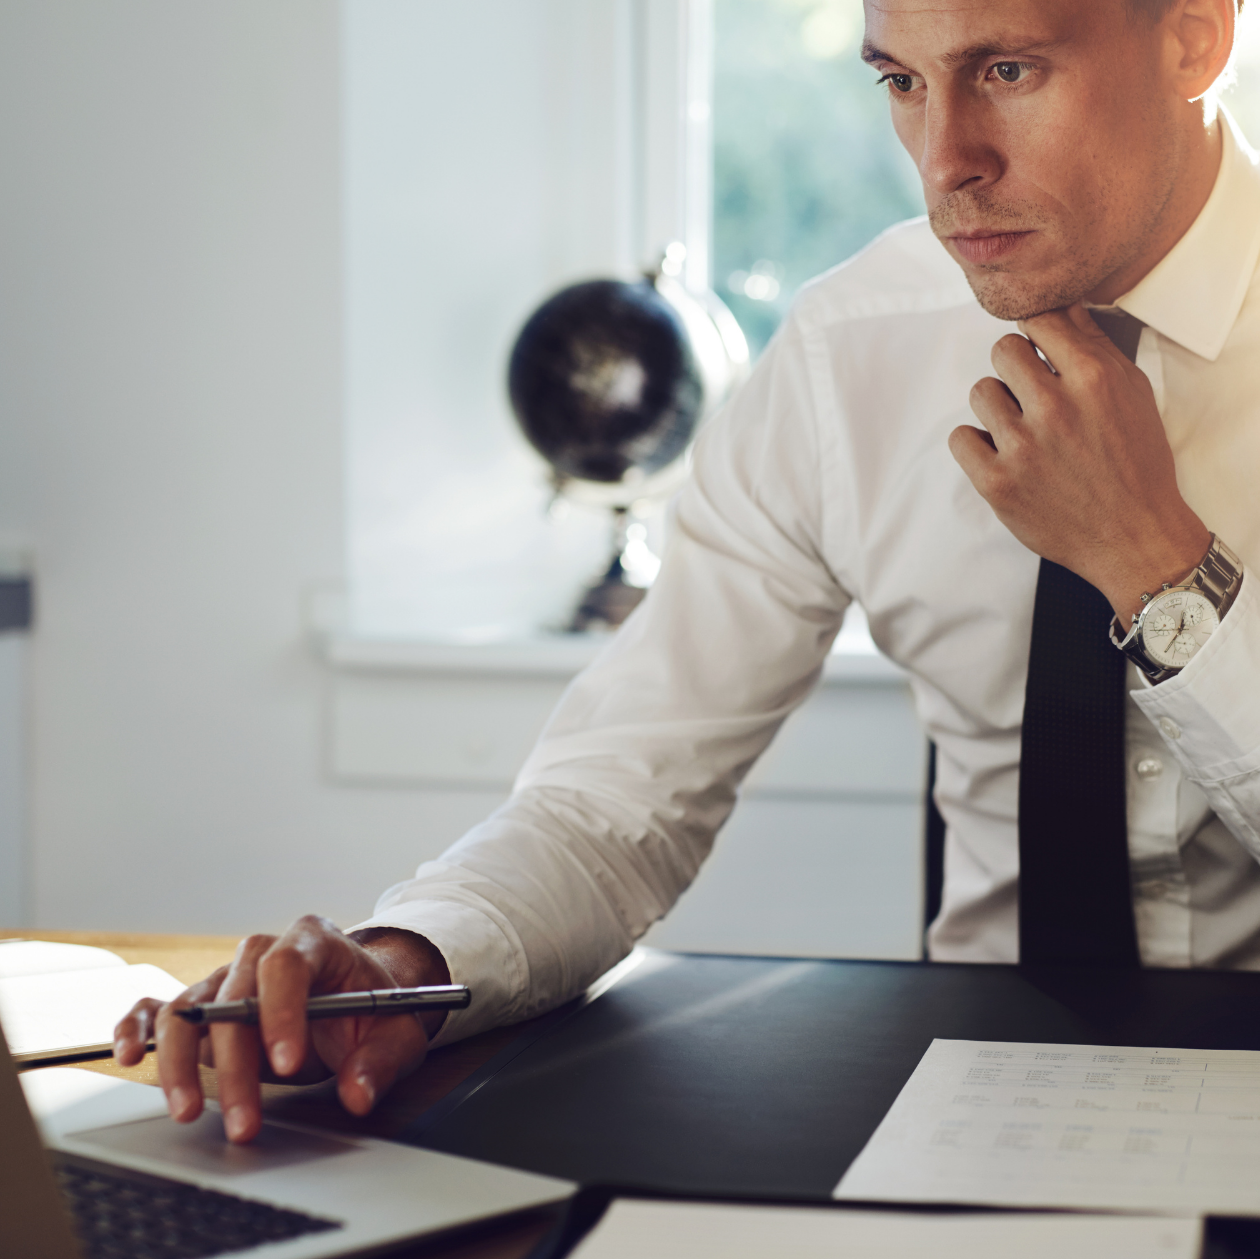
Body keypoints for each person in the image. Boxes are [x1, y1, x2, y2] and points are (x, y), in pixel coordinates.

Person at [117, 0, 1260, 1145]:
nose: (946, 161)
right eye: (901, 83)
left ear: (1194, 39)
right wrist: (408, 962)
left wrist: (1153, 568)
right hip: (964, 1103)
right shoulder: (848, 353)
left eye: (1007, 70)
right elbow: (618, 801)